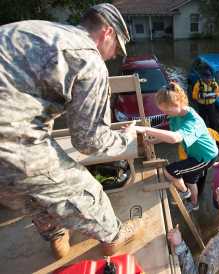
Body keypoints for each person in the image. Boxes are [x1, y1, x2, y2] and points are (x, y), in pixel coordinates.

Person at [0, 3, 140, 258]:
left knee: (31, 189)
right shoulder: (89, 59)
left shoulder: (38, 29)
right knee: (88, 189)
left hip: (11, 144)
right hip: (11, 141)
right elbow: (89, 141)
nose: (114, 56)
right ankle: (113, 236)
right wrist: (125, 138)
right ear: (107, 32)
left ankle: (56, 236)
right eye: (117, 49)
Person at [134, 82, 218, 211]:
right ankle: (195, 204)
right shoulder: (175, 114)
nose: (165, 113)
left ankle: (184, 192)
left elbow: (175, 138)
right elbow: (171, 134)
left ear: (179, 103)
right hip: (194, 154)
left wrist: (145, 129)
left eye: (167, 110)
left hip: (205, 157)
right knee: (190, 181)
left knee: (170, 170)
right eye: (162, 110)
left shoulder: (193, 121)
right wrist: (154, 141)